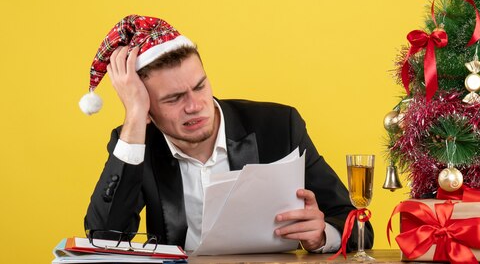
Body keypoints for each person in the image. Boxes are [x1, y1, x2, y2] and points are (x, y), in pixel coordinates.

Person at [80, 14, 373, 253]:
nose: (194, 106)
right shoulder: (137, 143)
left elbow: (358, 226)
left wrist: (322, 234)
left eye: (199, 87)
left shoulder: (277, 125)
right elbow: (104, 238)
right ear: (146, 106)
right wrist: (133, 120)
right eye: (173, 99)